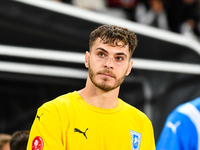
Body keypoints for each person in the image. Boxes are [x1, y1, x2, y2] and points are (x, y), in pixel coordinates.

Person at [26, 25, 155, 150]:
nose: (109, 64)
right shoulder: (54, 113)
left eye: (119, 58)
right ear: (87, 59)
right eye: (101, 54)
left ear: (129, 67)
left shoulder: (141, 123)